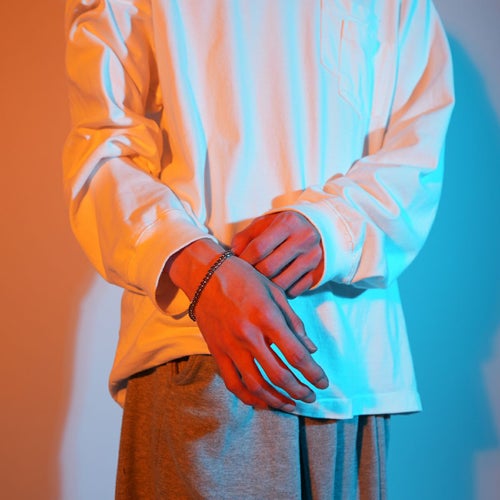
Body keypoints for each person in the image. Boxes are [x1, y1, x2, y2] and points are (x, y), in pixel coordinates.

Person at [63, 0, 454, 498]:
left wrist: (332, 227)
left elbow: (417, 149)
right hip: (201, 348)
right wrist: (203, 271)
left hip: (352, 368)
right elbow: (103, 150)